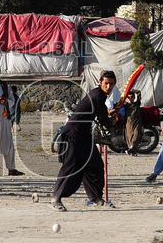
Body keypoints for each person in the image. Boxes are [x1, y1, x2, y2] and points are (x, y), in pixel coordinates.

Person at [51, 71, 118, 211]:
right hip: (73, 135)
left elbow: (101, 114)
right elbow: (104, 120)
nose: (108, 86)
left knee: (95, 165)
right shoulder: (97, 95)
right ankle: (56, 198)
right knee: (71, 167)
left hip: (85, 136)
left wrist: (110, 115)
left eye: (111, 84)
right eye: (106, 83)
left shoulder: (100, 96)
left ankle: (96, 198)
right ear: (100, 82)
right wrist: (113, 120)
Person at [123, 90, 143, 155]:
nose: (130, 98)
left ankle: (131, 149)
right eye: (129, 97)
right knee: (129, 137)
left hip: (137, 121)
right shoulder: (125, 105)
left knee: (136, 134)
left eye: (132, 97)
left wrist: (130, 90)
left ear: (134, 98)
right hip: (129, 122)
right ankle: (132, 150)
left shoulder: (137, 104)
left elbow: (139, 92)